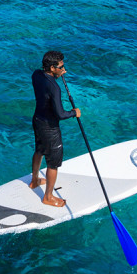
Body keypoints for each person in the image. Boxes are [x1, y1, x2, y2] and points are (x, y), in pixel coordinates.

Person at [29, 50, 81, 207]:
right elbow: (59, 114)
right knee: (53, 163)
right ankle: (48, 197)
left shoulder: (36, 75)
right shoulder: (55, 88)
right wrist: (74, 113)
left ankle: (34, 180)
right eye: (61, 67)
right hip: (50, 128)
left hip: (37, 120)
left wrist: (58, 75)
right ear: (52, 68)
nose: (63, 69)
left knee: (39, 150)